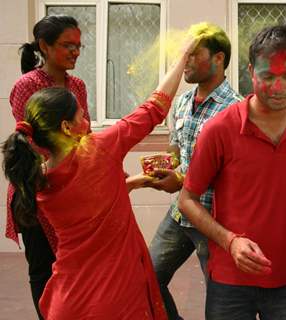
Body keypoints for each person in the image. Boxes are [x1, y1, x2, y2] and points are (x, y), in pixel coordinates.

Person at [2, 39, 196, 319]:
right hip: (114, 297)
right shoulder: (99, 149)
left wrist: (137, 181)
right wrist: (182, 56)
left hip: (68, 300)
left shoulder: (38, 178)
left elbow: (91, 203)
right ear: (67, 127)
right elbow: (155, 107)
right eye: (81, 114)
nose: (88, 121)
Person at [178, 25, 286, 319]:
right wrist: (230, 241)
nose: (279, 88)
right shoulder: (219, 129)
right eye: (267, 76)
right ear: (251, 72)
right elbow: (187, 200)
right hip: (229, 280)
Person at [146, 22, 241, 320]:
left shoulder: (236, 111)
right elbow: (177, 153)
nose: (183, 60)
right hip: (179, 214)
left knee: (223, 304)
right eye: (182, 53)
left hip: (214, 220)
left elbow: (233, 173)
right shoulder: (182, 102)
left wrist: (180, 180)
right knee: (146, 280)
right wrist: (161, 168)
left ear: (218, 59)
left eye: (192, 53)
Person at [6, 14, 90, 319]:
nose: (75, 52)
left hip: (70, 191)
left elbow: (85, 135)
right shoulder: (27, 86)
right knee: (43, 270)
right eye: (68, 45)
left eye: (79, 46)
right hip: (36, 192)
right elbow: (34, 144)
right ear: (44, 45)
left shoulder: (77, 86)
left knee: (73, 266)